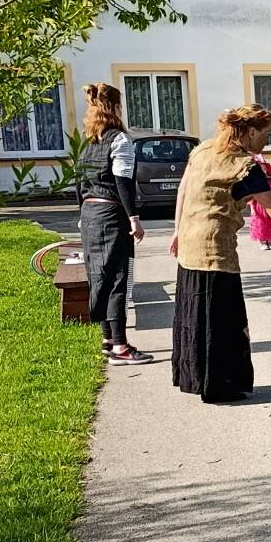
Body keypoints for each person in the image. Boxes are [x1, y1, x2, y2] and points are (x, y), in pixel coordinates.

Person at [169, 104, 271, 403]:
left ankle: (198, 379)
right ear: (250, 131)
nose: (268, 141)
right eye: (267, 134)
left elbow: (183, 189)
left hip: (190, 246)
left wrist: (178, 230)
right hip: (215, 250)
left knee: (196, 314)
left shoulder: (203, 150)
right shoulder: (246, 167)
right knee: (220, 318)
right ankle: (220, 385)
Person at [76, 82, 152, 364]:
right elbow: (123, 183)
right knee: (119, 277)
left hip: (90, 214)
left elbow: (79, 184)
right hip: (111, 214)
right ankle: (121, 347)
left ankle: (108, 339)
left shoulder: (88, 143)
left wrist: (81, 216)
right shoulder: (119, 139)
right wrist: (134, 219)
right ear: (116, 106)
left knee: (99, 275)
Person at [249, 158, 271, 249]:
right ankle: (263, 242)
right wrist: (252, 207)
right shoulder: (254, 181)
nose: (263, 171)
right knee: (261, 223)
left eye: (264, 169)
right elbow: (251, 195)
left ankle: (270, 241)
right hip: (259, 205)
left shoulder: (270, 180)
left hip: (270, 204)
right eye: (260, 169)